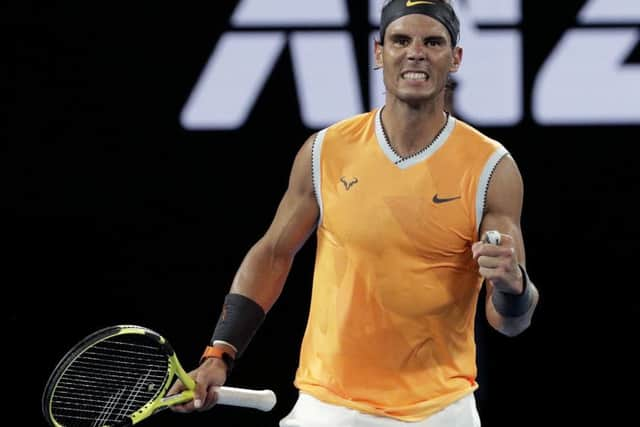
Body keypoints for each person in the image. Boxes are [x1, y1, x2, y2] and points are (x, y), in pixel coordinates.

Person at [168, 0, 539, 425]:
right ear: (379, 53)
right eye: (401, 40)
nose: (415, 52)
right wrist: (219, 354)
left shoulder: (492, 169)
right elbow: (273, 254)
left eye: (433, 42)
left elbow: (510, 320)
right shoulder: (325, 151)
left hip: (440, 412)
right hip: (328, 408)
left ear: (455, 59)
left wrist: (513, 286)